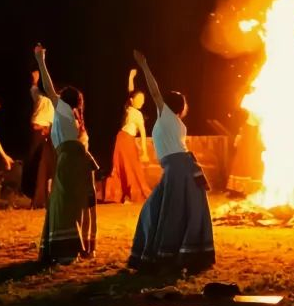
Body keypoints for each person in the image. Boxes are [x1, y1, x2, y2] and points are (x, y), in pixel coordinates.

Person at [127, 50, 215, 273]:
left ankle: (172, 257)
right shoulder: (168, 119)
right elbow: (155, 92)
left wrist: (145, 65)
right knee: (163, 209)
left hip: (180, 168)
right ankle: (174, 255)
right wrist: (144, 65)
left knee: (172, 211)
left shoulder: (168, 118)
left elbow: (154, 91)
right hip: (179, 167)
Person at [33, 45, 99, 263]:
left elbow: (48, 86)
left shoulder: (63, 110)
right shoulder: (70, 115)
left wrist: (40, 59)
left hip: (69, 160)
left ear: (64, 99)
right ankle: (75, 247)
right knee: (75, 204)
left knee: (64, 203)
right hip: (73, 159)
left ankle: (68, 249)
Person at [103, 69, 154, 204]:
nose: (142, 101)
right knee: (121, 167)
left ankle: (128, 194)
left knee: (131, 167)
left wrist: (144, 150)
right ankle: (121, 195)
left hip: (128, 140)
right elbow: (130, 91)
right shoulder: (129, 109)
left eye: (143, 99)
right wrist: (131, 77)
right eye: (139, 99)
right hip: (122, 140)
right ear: (132, 100)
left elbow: (143, 132)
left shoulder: (138, 114)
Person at [23, 70, 56, 209]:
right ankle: (36, 196)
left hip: (44, 133)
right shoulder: (40, 97)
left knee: (40, 163)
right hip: (37, 132)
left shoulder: (54, 101)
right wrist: (35, 80)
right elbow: (34, 88)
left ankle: (41, 198)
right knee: (32, 162)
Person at [225, 112, 263, 197]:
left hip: (251, 149)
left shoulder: (257, 124)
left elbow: (258, 136)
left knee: (249, 167)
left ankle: (245, 191)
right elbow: (243, 132)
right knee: (239, 166)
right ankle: (236, 191)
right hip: (244, 149)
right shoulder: (247, 123)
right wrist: (239, 137)